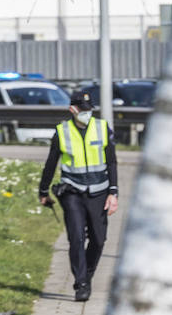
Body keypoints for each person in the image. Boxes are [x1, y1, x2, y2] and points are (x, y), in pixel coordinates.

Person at [37, 90, 117, 302]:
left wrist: (114, 192)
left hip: (99, 192)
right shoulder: (62, 132)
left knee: (99, 240)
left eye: (89, 110)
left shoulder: (102, 128)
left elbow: (111, 162)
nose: (86, 113)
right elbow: (51, 163)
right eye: (82, 109)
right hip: (72, 192)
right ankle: (81, 284)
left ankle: (87, 274)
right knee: (76, 237)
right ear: (72, 109)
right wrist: (43, 191)